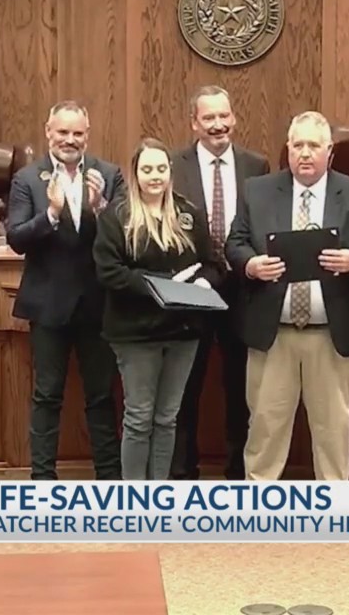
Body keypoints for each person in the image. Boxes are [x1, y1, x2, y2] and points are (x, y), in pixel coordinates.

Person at [225, 111, 349, 481]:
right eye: (297, 145)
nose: (304, 153)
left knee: (333, 432)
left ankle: (332, 505)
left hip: (332, 335)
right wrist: (251, 265)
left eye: (313, 146)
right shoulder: (257, 190)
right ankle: (259, 500)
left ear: (330, 152)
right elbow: (235, 243)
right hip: (273, 334)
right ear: (287, 149)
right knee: (265, 428)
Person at [94, 138, 225, 480]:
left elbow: (212, 263)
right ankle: (135, 497)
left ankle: (158, 493)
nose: (155, 176)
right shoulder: (117, 215)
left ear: (170, 172)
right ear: (135, 173)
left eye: (161, 169)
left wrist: (204, 282)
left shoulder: (188, 213)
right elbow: (109, 272)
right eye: (147, 169)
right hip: (135, 332)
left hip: (183, 331)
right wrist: (164, 285)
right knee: (139, 418)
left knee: (168, 417)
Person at [6, 100, 123, 480]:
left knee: (102, 396)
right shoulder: (27, 178)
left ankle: (110, 480)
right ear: (48, 132)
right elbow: (16, 238)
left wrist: (101, 208)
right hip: (48, 305)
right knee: (47, 395)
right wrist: (52, 214)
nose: (69, 140)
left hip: (97, 304)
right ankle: (42, 481)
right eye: (62, 132)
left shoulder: (109, 174)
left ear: (87, 135)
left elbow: (126, 235)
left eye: (77, 133)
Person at [169, 85, 270, 481]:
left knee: (241, 388)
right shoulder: (173, 165)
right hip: (192, 290)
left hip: (243, 290)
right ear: (194, 123)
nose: (217, 125)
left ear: (234, 118)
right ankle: (183, 476)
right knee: (185, 387)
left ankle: (239, 475)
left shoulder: (256, 166)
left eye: (223, 116)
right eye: (208, 118)